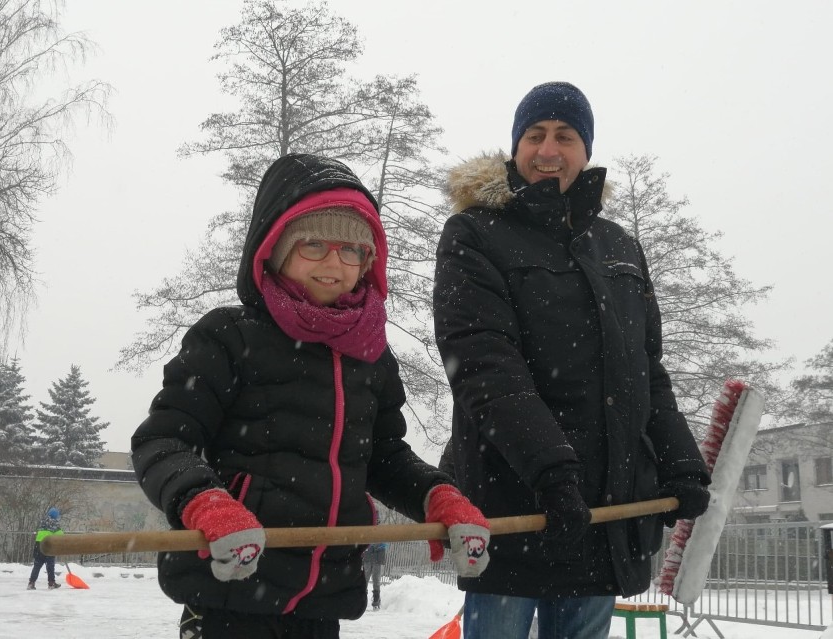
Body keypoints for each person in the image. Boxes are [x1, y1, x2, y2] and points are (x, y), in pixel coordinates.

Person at [131, 153, 491, 639]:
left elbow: (382, 458)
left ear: (368, 261)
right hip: (230, 588)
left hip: (323, 596)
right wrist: (204, 502)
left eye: (351, 250)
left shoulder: (371, 357)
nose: (333, 263)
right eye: (314, 244)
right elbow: (163, 441)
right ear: (276, 248)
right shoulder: (229, 338)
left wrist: (438, 496)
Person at [432, 82, 711, 639]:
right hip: (516, 499)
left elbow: (646, 371)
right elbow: (485, 363)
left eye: (565, 136)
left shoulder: (619, 247)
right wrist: (552, 471)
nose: (549, 150)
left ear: (586, 150)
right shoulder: (474, 234)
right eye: (535, 135)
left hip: (603, 511)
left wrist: (680, 458)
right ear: (516, 147)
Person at [27, 507, 63, 590]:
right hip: (48, 546)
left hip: (38, 545)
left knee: (37, 565)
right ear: (56, 516)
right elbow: (60, 535)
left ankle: (31, 583)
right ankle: (51, 583)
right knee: (50, 566)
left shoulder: (42, 522)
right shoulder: (54, 524)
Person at [362, 541, 386, 610]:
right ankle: (363, 601)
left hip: (376, 558)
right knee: (365, 580)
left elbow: (384, 544)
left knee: (375, 580)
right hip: (368, 557)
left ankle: (376, 601)